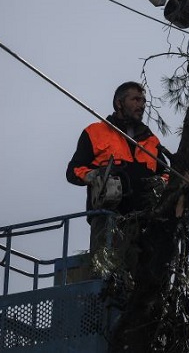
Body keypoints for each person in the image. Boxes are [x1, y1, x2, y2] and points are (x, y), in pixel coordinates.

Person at [66, 81, 168, 274]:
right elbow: (73, 171)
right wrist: (94, 175)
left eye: (143, 101)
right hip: (109, 221)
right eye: (135, 99)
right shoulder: (95, 132)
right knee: (109, 280)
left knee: (147, 280)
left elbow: (167, 174)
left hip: (146, 223)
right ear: (119, 103)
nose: (142, 105)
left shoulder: (151, 140)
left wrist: (162, 182)